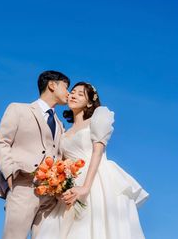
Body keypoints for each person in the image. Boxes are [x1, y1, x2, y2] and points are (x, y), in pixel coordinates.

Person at [33, 82, 149, 239]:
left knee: (94, 225)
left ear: (89, 102)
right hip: (72, 181)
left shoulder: (98, 118)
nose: (73, 95)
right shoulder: (63, 131)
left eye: (80, 94)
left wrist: (86, 187)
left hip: (96, 179)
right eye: (72, 92)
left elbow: (97, 152)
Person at [0, 70, 70, 239]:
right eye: (66, 87)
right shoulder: (18, 109)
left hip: (50, 196)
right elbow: (1, 142)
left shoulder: (60, 124)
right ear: (52, 85)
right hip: (24, 186)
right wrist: (10, 172)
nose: (68, 93)